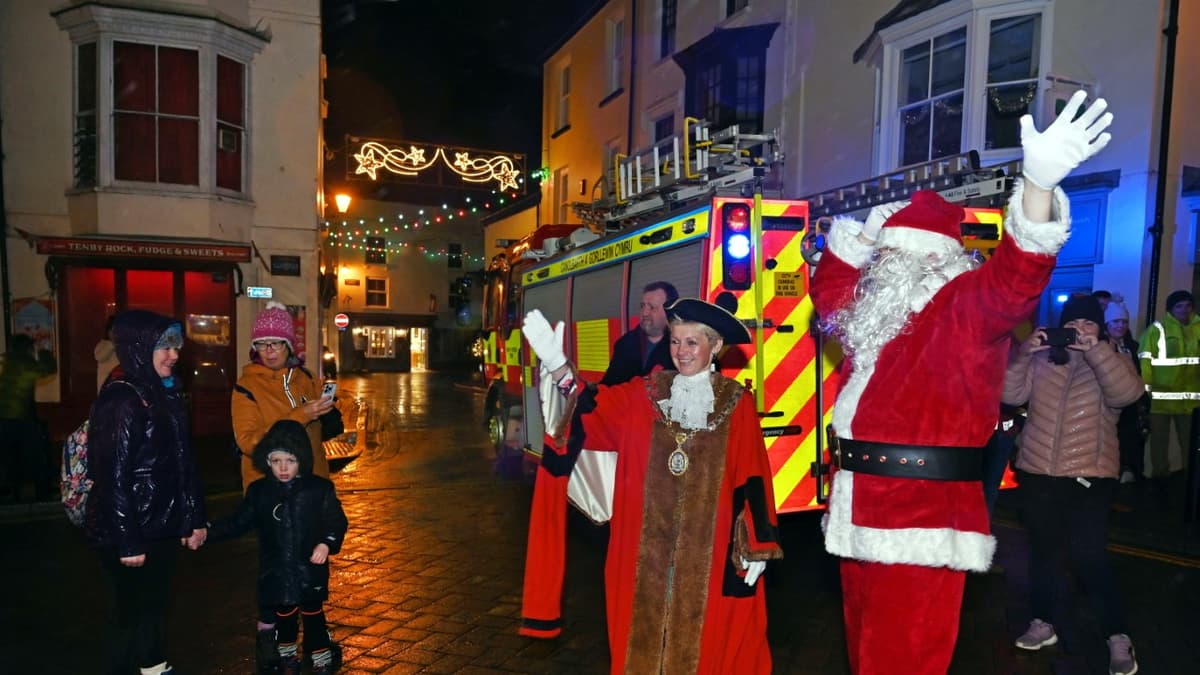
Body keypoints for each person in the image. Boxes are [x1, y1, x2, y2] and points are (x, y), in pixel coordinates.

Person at [809, 89, 1113, 674]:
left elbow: (1015, 280)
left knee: (904, 658)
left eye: (898, 256)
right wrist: (856, 245)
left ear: (936, 261)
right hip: (855, 507)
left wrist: (1038, 190)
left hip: (920, 516)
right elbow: (831, 299)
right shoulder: (876, 317)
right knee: (866, 648)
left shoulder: (962, 308)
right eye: (886, 258)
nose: (887, 269)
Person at [519, 299, 783, 673]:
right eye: (675, 342)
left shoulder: (737, 404)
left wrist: (757, 546)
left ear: (715, 347)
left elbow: (753, 478)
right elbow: (592, 410)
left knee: (707, 647)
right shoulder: (644, 395)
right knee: (641, 645)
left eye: (692, 343)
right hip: (644, 557)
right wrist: (560, 369)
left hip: (708, 557)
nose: (681, 352)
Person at [1002, 294, 1143, 675]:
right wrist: (1024, 354)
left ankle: (1117, 635)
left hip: (1090, 476)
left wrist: (1096, 350)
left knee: (1089, 557)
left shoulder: (1113, 356)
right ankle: (1043, 622)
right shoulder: (1045, 358)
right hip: (1038, 472)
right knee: (1044, 554)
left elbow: (1127, 394)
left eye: (1089, 324)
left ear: (1099, 328)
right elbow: (1009, 394)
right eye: (1074, 324)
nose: (1080, 330)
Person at [84, 310, 208, 675]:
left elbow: (184, 464)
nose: (174, 355)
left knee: (155, 604)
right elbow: (111, 475)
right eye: (164, 347)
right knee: (130, 610)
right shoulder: (122, 399)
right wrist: (128, 541)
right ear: (139, 348)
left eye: (176, 347)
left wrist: (194, 519)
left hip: (161, 524)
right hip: (131, 527)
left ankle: (153, 665)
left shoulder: (164, 392)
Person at [232, 301, 335, 662]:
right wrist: (300, 414)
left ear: (291, 346)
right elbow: (249, 443)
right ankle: (269, 635)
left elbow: (316, 436)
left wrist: (327, 409)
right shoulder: (246, 387)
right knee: (276, 567)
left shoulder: (304, 378)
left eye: (277, 343)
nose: (270, 351)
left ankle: (315, 634)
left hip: (311, 490)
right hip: (270, 490)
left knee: (312, 563)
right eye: (263, 344)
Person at [207, 419, 348, 674]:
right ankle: (286, 656)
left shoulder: (318, 489)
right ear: (268, 461)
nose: (283, 468)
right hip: (277, 570)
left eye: (290, 461)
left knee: (314, 614)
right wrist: (207, 532)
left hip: (309, 568)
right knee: (285, 616)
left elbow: (336, 522)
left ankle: (321, 657)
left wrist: (326, 543)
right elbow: (238, 522)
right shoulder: (260, 492)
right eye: (276, 461)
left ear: (301, 461)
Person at [1137, 289, 1200, 502]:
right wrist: (1145, 394)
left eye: (1188, 305)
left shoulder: (1199, 328)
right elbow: (1145, 362)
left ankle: (1191, 482)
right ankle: (1160, 481)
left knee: (1191, 444)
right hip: (1160, 400)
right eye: (1179, 306)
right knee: (1159, 444)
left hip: (1190, 401)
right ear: (1171, 309)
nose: (1184, 310)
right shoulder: (1157, 330)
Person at [0, 333, 58, 502]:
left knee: (9, 456)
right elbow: (48, 369)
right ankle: (43, 492)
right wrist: (44, 351)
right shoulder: (24, 364)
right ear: (27, 348)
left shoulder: (6, 362)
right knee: (37, 455)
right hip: (20, 418)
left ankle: (11, 491)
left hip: (4, 418)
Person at [599, 281, 678, 386]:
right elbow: (608, 385)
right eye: (642, 306)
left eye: (652, 307)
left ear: (669, 311)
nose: (644, 313)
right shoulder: (625, 344)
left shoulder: (681, 347)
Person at [1106, 296, 1150, 484]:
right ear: (1107, 323)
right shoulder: (1102, 347)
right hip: (1111, 406)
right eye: (1116, 321)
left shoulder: (1132, 346)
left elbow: (1138, 375)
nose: (1120, 326)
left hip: (1131, 407)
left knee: (1129, 445)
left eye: (1124, 322)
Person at [96, 315, 120, 391]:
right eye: (112, 330)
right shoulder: (103, 345)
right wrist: (112, 344)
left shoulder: (124, 345)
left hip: (120, 384)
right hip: (106, 385)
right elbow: (99, 357)